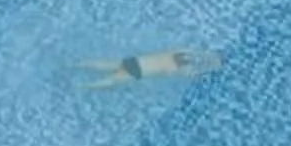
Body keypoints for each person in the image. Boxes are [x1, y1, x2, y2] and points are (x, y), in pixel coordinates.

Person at [76, 47, 222, 88]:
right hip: (139, 72)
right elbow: (192, 74)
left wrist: (206, 53)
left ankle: (78, 65)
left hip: (135, 61)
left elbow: (188, 49)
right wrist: (209, 69)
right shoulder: (173, 68)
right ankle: (84, 86)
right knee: (112, 80)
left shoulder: (171, 53)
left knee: (108, 64)